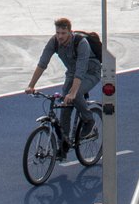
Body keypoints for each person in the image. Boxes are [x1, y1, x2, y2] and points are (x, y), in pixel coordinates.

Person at [25, 17, 101, 152]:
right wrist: (31, 85)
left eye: (63, 33)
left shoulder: (81, 43)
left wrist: (72, 92)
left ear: (70, 32)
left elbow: (81, 70)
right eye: (58, 33)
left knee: (75, 94)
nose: (60, 36)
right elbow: (42, 63)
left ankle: (89, 120)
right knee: (64, 106)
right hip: (72, 73)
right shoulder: (54, 42)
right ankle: (64, 143)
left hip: (90, 72)